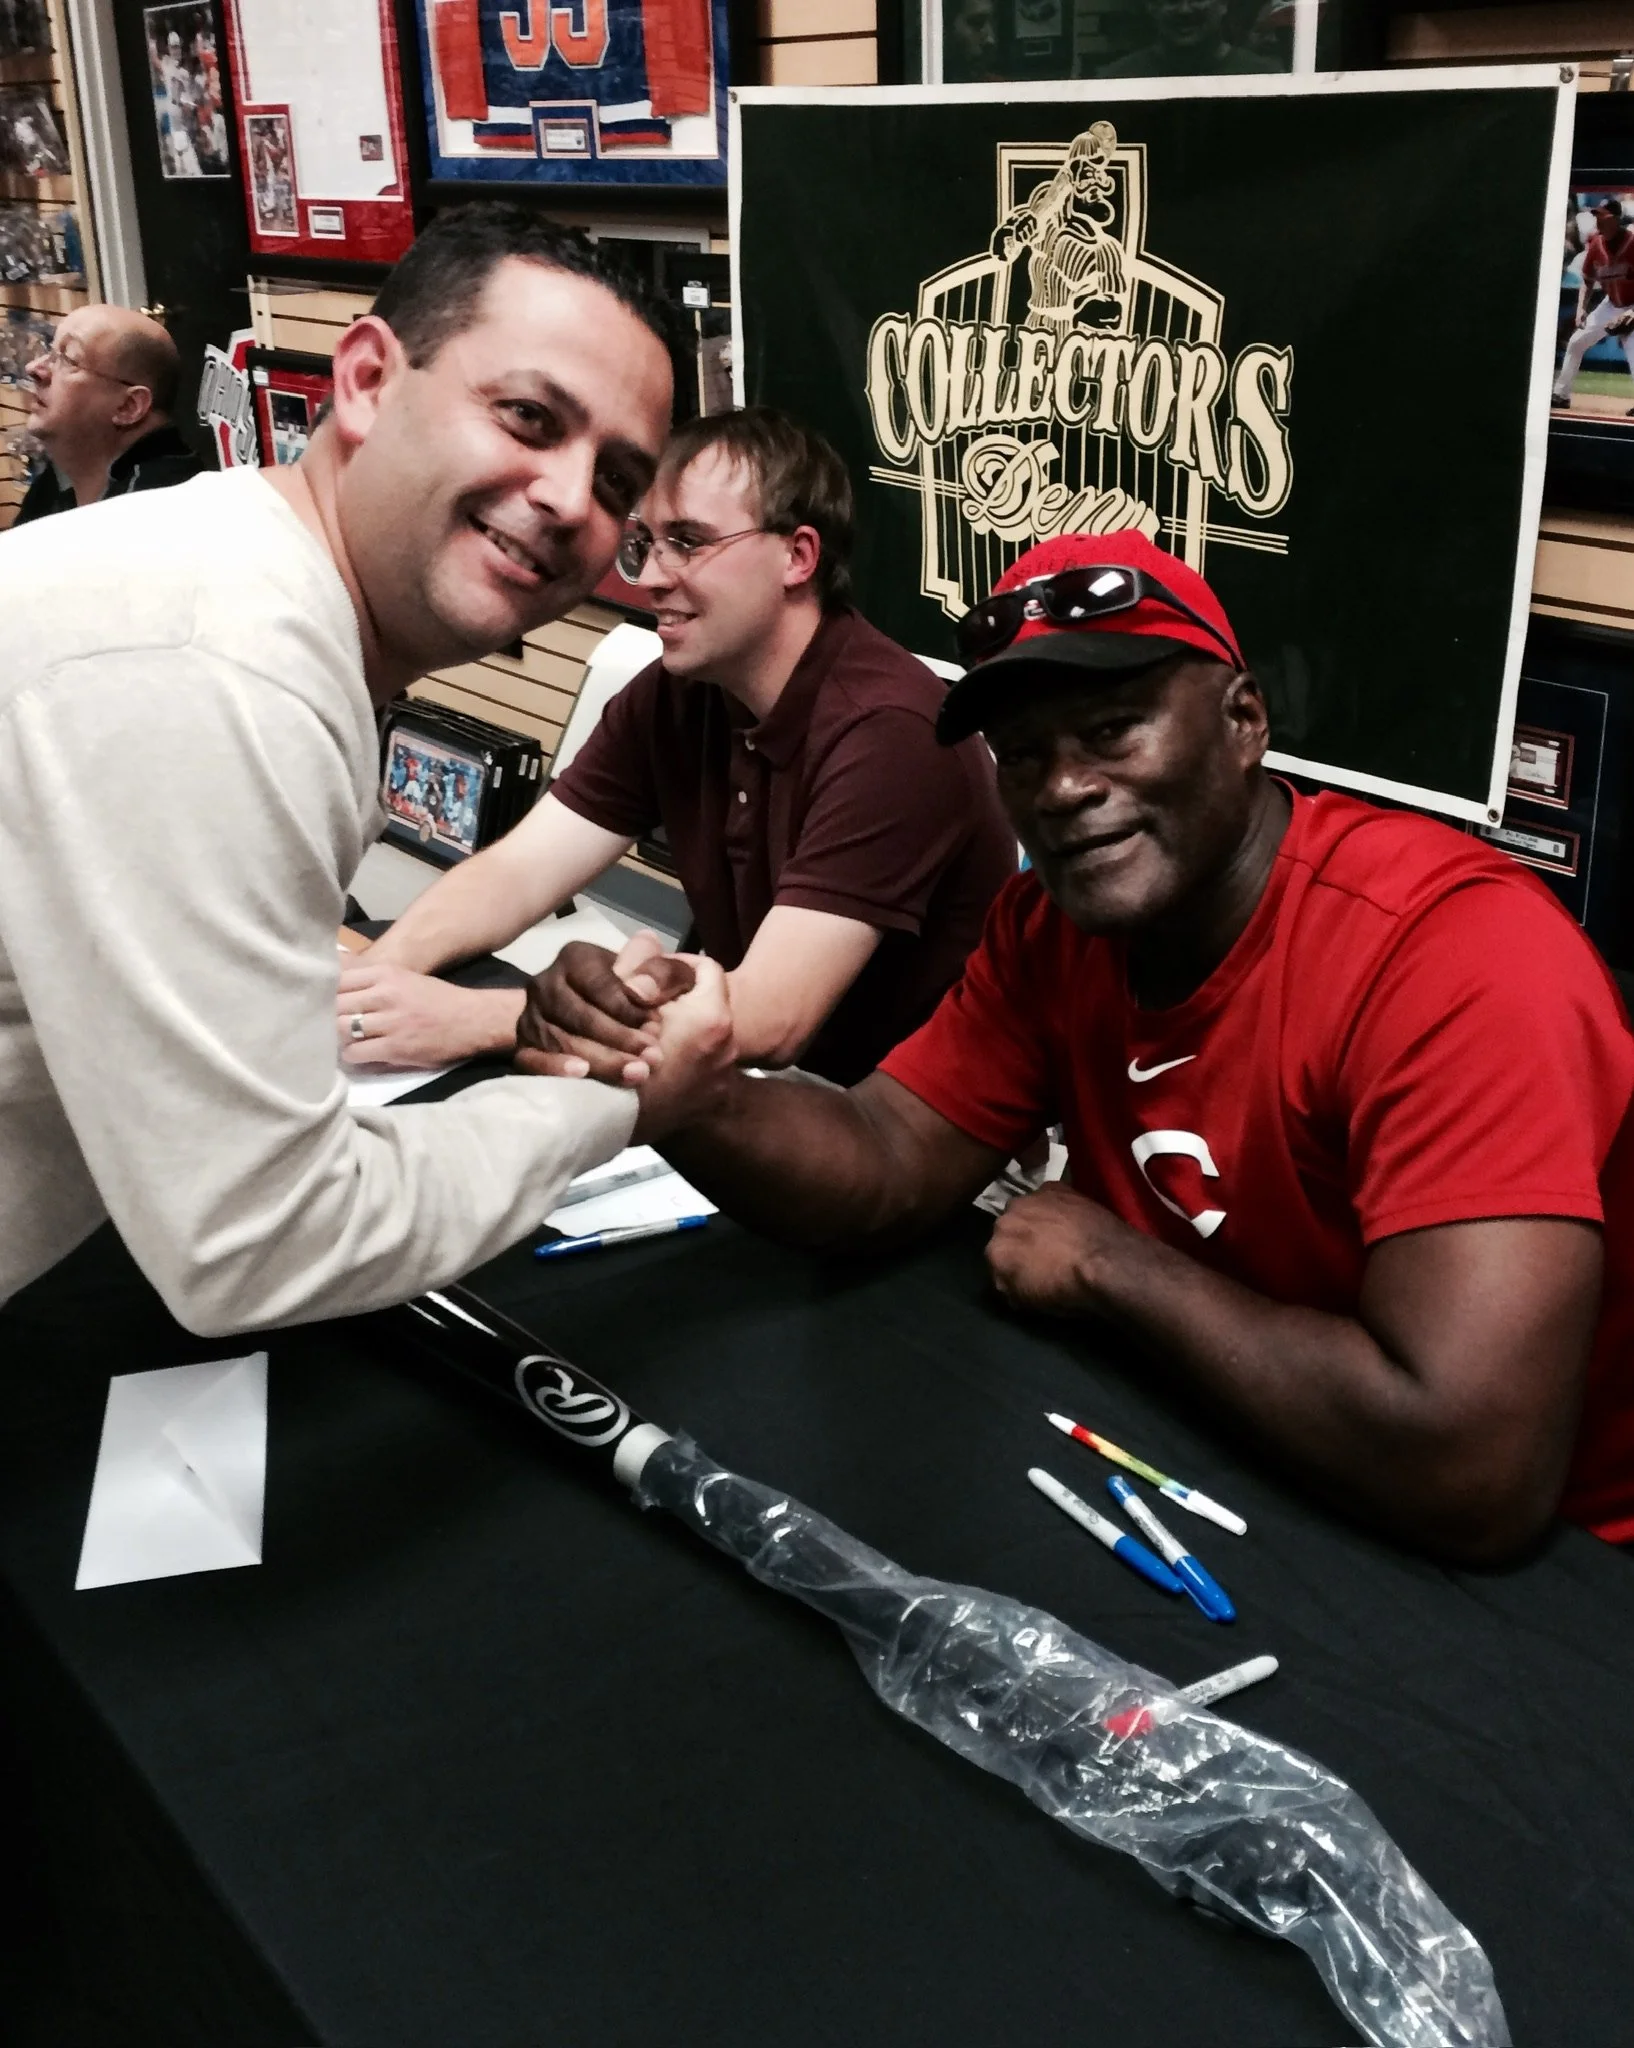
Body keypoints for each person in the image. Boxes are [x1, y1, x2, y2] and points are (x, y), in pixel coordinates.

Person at [517, 531, 1634, 1566]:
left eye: (1110, 731)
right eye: (1022, 754)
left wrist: (1110, 1264)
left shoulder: (1454, 959)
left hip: (1548, 1582)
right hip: (1202, 1435)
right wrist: (689, 1087)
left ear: (1243, 720)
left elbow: (1472, 1469)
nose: (1059, 789)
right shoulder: (1053, 927)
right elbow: (886, 1155)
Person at [0, 203, 679, 1335]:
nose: (569, 498)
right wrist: (619, 1106)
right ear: (364, 379)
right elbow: (258, 1242)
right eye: (525, 415)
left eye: (616, 483)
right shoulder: (221, 665)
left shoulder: (240, 590)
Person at [342, 406, 1016, 1086]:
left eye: (689, 543)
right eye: (649, 544)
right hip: (740, 1083)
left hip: (886, 1126)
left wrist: (478, 1019)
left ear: (798, 556)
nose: (653, 576)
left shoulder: (891, 733)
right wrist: (374, 980)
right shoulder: (681, 689)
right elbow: (517, 871)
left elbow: (773, 1017)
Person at [13, 305, 201, 525]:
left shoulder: (156, 511)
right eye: (49, 351)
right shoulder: (54, 485)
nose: (34, 368)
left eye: (69, 359)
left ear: (129, 407)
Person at [1553, 197, 1634, 411]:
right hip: (1610, 305)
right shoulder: (1596, 244)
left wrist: (1632, 314)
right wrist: (1581, 308)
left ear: (1616, 219)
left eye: (1604, 217)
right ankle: (1561, 395)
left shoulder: (1632, 243)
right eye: (1596, 215)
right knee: (1576, 342)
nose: (1598, 221)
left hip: (1632, 306)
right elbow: (1588, 281)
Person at [1089, 0, 1280, 77]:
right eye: (1172, 0)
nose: (1184, 10)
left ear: (1223, 3)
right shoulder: (1117, 80)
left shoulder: (1263, 78)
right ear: (1151, 6)